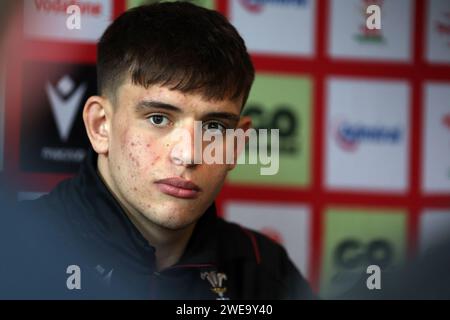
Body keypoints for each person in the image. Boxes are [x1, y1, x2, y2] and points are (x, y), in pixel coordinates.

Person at [1, 2, 314, 300]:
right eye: (159, 118)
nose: (188, 154)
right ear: (100, 126)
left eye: (215, 127)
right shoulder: (13, 252)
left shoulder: (266, 272)